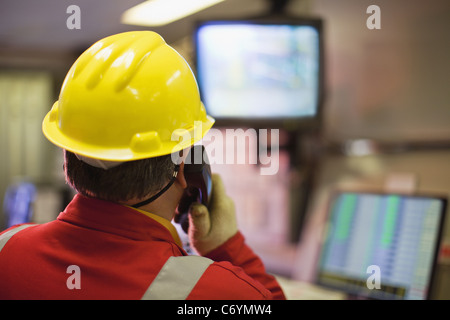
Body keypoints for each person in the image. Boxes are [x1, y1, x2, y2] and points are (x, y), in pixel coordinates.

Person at [0, 31, 286, 300]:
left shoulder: (6, 250)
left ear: (68, 156)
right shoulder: (216, 292)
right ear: (186, 167)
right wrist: (226, 246)